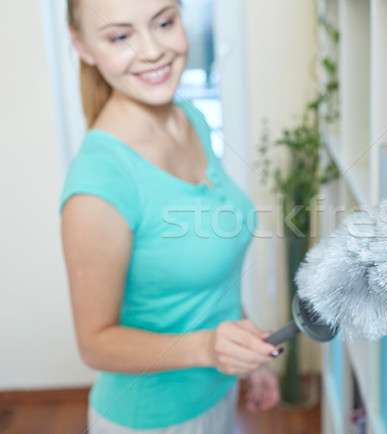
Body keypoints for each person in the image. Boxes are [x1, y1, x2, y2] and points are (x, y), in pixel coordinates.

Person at [60, 0, 281, 432]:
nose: (152, 50)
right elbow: (94, 344)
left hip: (218, 397)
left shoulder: (190, 118)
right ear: (82, 45)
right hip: (151, 421)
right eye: (121, 36)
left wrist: (247, 353)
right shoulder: (100, 183)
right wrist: (209, 349)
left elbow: (212, 263)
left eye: (164, 22)